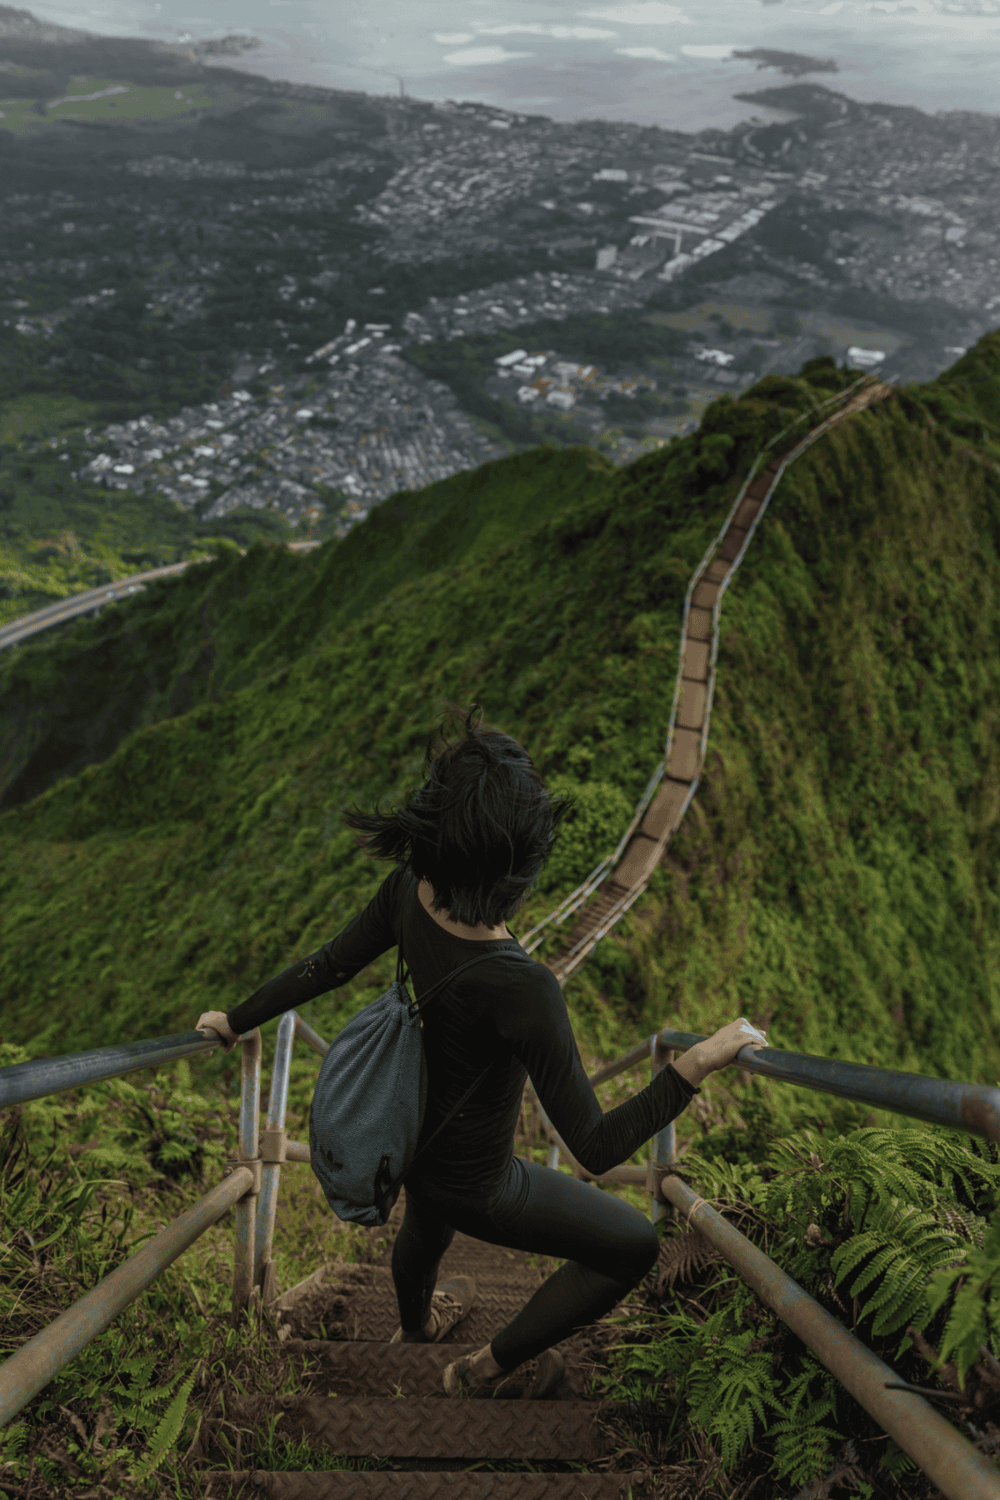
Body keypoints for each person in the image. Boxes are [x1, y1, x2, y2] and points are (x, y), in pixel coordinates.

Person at [196, 702, 766, 1398]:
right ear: (519, 864)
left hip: (405, 1147)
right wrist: (693, 1065)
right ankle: (484, 1368)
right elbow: (594, 1145)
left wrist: (234, 1019)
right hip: (481, 1186)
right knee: (633, 1246)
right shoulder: (526, 989)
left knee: (425, 1225)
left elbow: (327, 967)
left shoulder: (408, 891)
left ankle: (411, 1331)